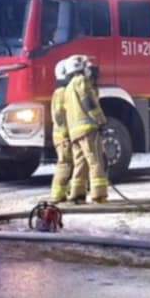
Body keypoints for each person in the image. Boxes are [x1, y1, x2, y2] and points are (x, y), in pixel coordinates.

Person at [48, 54, 109, 204]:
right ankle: (98, 196)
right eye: (87, 67)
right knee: (95, 162)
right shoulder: (80, 81)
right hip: (87, 128)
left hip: (75, 132)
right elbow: (89, 103)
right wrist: (101, 121)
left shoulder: (67, 88)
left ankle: (77, 195)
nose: (90, 69)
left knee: (80, 163)